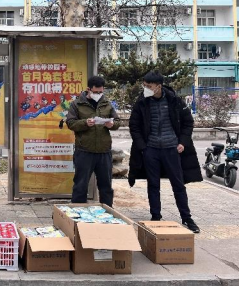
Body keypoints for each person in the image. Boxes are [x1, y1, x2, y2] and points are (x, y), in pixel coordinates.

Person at [128, 71, 202, 233]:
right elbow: (134, 126)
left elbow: (188, 123)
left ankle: (186, 217)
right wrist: (143, 147)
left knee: (178, 184)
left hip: (172, 149)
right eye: (144, 85)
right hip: (151, 149)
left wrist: (182, 142)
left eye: (149, 86)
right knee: (153, 184)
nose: (146, 88)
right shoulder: (142, 102)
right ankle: (155, 216)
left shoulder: (174, 100)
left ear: (158, 86)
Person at [66, 76, 120, 207]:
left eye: (101, 92)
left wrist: (111, 124)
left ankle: (107, 211)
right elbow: (70, 123)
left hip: (104, 151)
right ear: (88, 89)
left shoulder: (107, 104)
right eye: (96, 92)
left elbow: (117, 121)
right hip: (84, 151)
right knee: (80, 185)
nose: (98, 94)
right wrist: (85, 123)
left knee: (106, 186)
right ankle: (78, 212)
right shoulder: (77, 104)